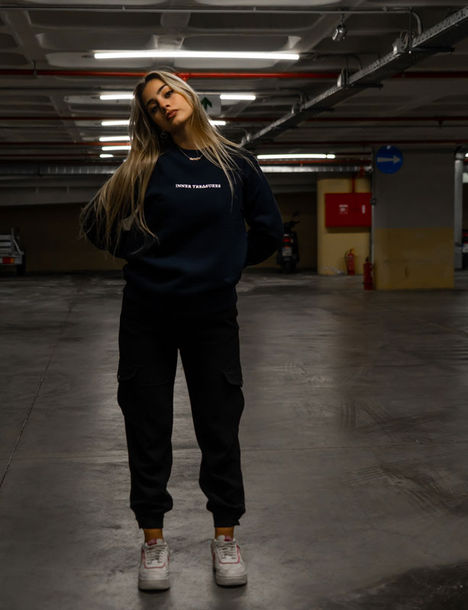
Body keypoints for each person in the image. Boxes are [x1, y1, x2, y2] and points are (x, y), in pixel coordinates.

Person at [79, 70, 283, 590]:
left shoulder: (237, 164)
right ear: (150, 119)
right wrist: (141, 254)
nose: (164, 105)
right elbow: (95, 222)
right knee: (147, 426)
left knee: (220, 424)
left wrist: (226, 264)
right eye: (153, 105)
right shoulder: (145, 165)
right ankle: (153, 543)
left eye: (167, 93)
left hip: (211, 316)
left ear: (188, 94)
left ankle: (225, 537)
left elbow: (268, 231)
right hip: (146, 315)